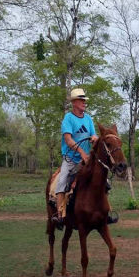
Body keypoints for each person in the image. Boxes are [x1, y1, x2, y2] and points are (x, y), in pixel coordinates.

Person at [52, 88, 98, 228]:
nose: (84, 103)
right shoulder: (68, 118)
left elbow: (93, 135)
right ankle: (59, 215)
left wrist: (95, 139)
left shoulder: (88, 118)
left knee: (103, 180)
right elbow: (68, 140)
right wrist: (82, 153)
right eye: (81, 100)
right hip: (71, 159)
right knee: (62, 180)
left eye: (85, 100)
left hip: (86, 160)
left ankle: (103, 212)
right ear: (74, 102)